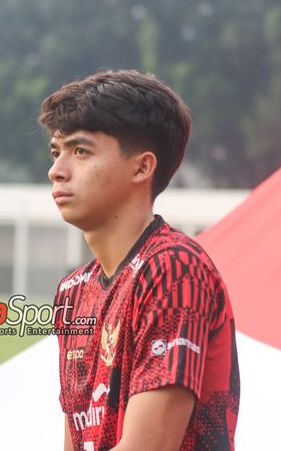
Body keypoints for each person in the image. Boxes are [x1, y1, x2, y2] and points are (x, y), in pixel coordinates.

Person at [39, 70, 240, 451]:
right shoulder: (72, 290)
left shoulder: (174, 269)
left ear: (142, 167)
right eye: (55, 152)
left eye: (80, 151)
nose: (56, 170)